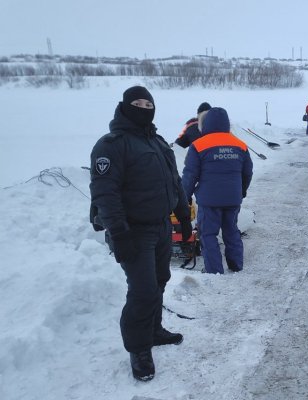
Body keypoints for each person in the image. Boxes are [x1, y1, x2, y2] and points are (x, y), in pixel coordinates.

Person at [89, 86, 192, 382]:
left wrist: (183, 217)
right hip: (132, 231)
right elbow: (105, 193)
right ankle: (139, 349)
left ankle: (154, 330)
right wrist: (118, 233)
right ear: (125, 106)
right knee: (143, 291)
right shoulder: (112, 145)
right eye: (138, 102)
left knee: (160, 281)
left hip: (160, 226)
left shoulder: (158, 143)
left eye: (149, 102)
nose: (144, 107)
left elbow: (175, 182)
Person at [182, 107, 253, 274]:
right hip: (232, 199)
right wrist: (241, 191)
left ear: (206, 124)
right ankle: (236, 265)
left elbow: (190, 175)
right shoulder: (240, 145)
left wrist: (184, 197)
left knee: (208, 234)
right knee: (232, 232)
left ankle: (214, 270)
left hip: (209, 200)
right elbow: (247, 172)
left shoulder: (198, 145)